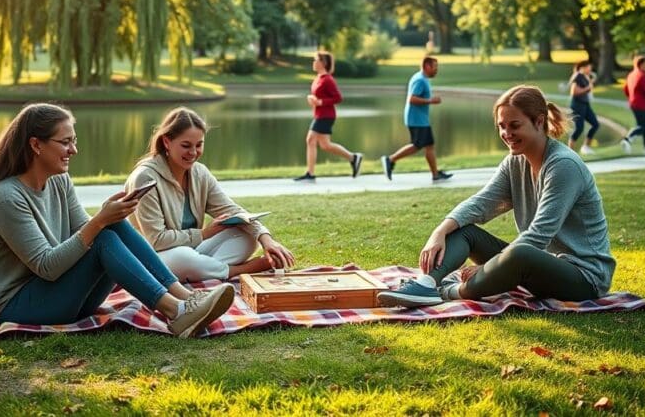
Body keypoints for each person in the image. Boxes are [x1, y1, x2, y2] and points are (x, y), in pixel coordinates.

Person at [0, 103, 234, 339]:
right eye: (65, 142)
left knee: (112, 226)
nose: (74, 150)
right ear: (36, 145)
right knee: (102, 232)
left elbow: (87, 232)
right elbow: (47, 267)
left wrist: (107, 216)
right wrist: (98, 223)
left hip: (60, 297)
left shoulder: (58, 180)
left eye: (75, 140)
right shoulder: (6, 198)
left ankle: (185, 298)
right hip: (11, 305)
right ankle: (175, 312)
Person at [377, 85, 615, 307]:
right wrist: (439, 232)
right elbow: (481, 203)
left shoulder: (563, 165)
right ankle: (425, 285)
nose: (506, 133)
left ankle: (449, 292)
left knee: (520, 253)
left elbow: (540, 234)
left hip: (584, 278)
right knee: (464, 229)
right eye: (501, 126)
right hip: (539, 266)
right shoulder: (515, 161)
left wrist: (488, 268)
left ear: (539, 121)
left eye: (514, 125)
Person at [125, 107, 295, 282]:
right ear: (167, 142)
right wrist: (204, 234)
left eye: (199, 145)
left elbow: (232, 210)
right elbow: (157, 240)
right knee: (184, 258)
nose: (193, 153)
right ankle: (239, 270)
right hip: (154, 257)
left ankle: (202, 270)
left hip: (192, 251)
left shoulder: (200, 173)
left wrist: (266, 239)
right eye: (186, 145)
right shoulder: (144, 178)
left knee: (246, 234)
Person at [380, 55, 452, 182]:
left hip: (419, 119)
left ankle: (435, 174)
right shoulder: (420, 80)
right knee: (418, 145)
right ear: (426, 66)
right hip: (417, 119)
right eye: (435, 67)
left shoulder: (423, 79)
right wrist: (431, 100)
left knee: (428, 145)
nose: (436, 70)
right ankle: (390, 159)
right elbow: (412, 99)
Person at [293, 51, 363, 182]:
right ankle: (353, 158)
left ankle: (310, 174)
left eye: (315, 60)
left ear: (323, 63)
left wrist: (321, 102)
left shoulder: (328, 80)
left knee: (310, 140)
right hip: (319, 114)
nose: (313, 63)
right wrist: (313, 100)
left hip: (326, 115)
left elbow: (338, 98)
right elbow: (319, 96)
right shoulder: (318, 78)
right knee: (325, 145)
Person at [620, 56, 645, 155]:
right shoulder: (643, 75)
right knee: (644, 126)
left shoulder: (631, 74)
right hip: (640, 104)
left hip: (633, 103)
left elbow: (625, 89)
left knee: (642, 125)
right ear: (641, 64)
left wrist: (632, 97)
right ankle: (628, 139)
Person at [568, 59, 600, 155]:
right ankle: (570, 152)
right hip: (577, 105)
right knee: (579, 128)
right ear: (583, 68)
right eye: (589, 67)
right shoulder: (578, 76)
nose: (590, 69)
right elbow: (574, 92)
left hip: (585, 104)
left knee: (595, 124)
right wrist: (588, 88)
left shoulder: (584, 77)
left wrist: (590, 83)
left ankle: (585, 147)